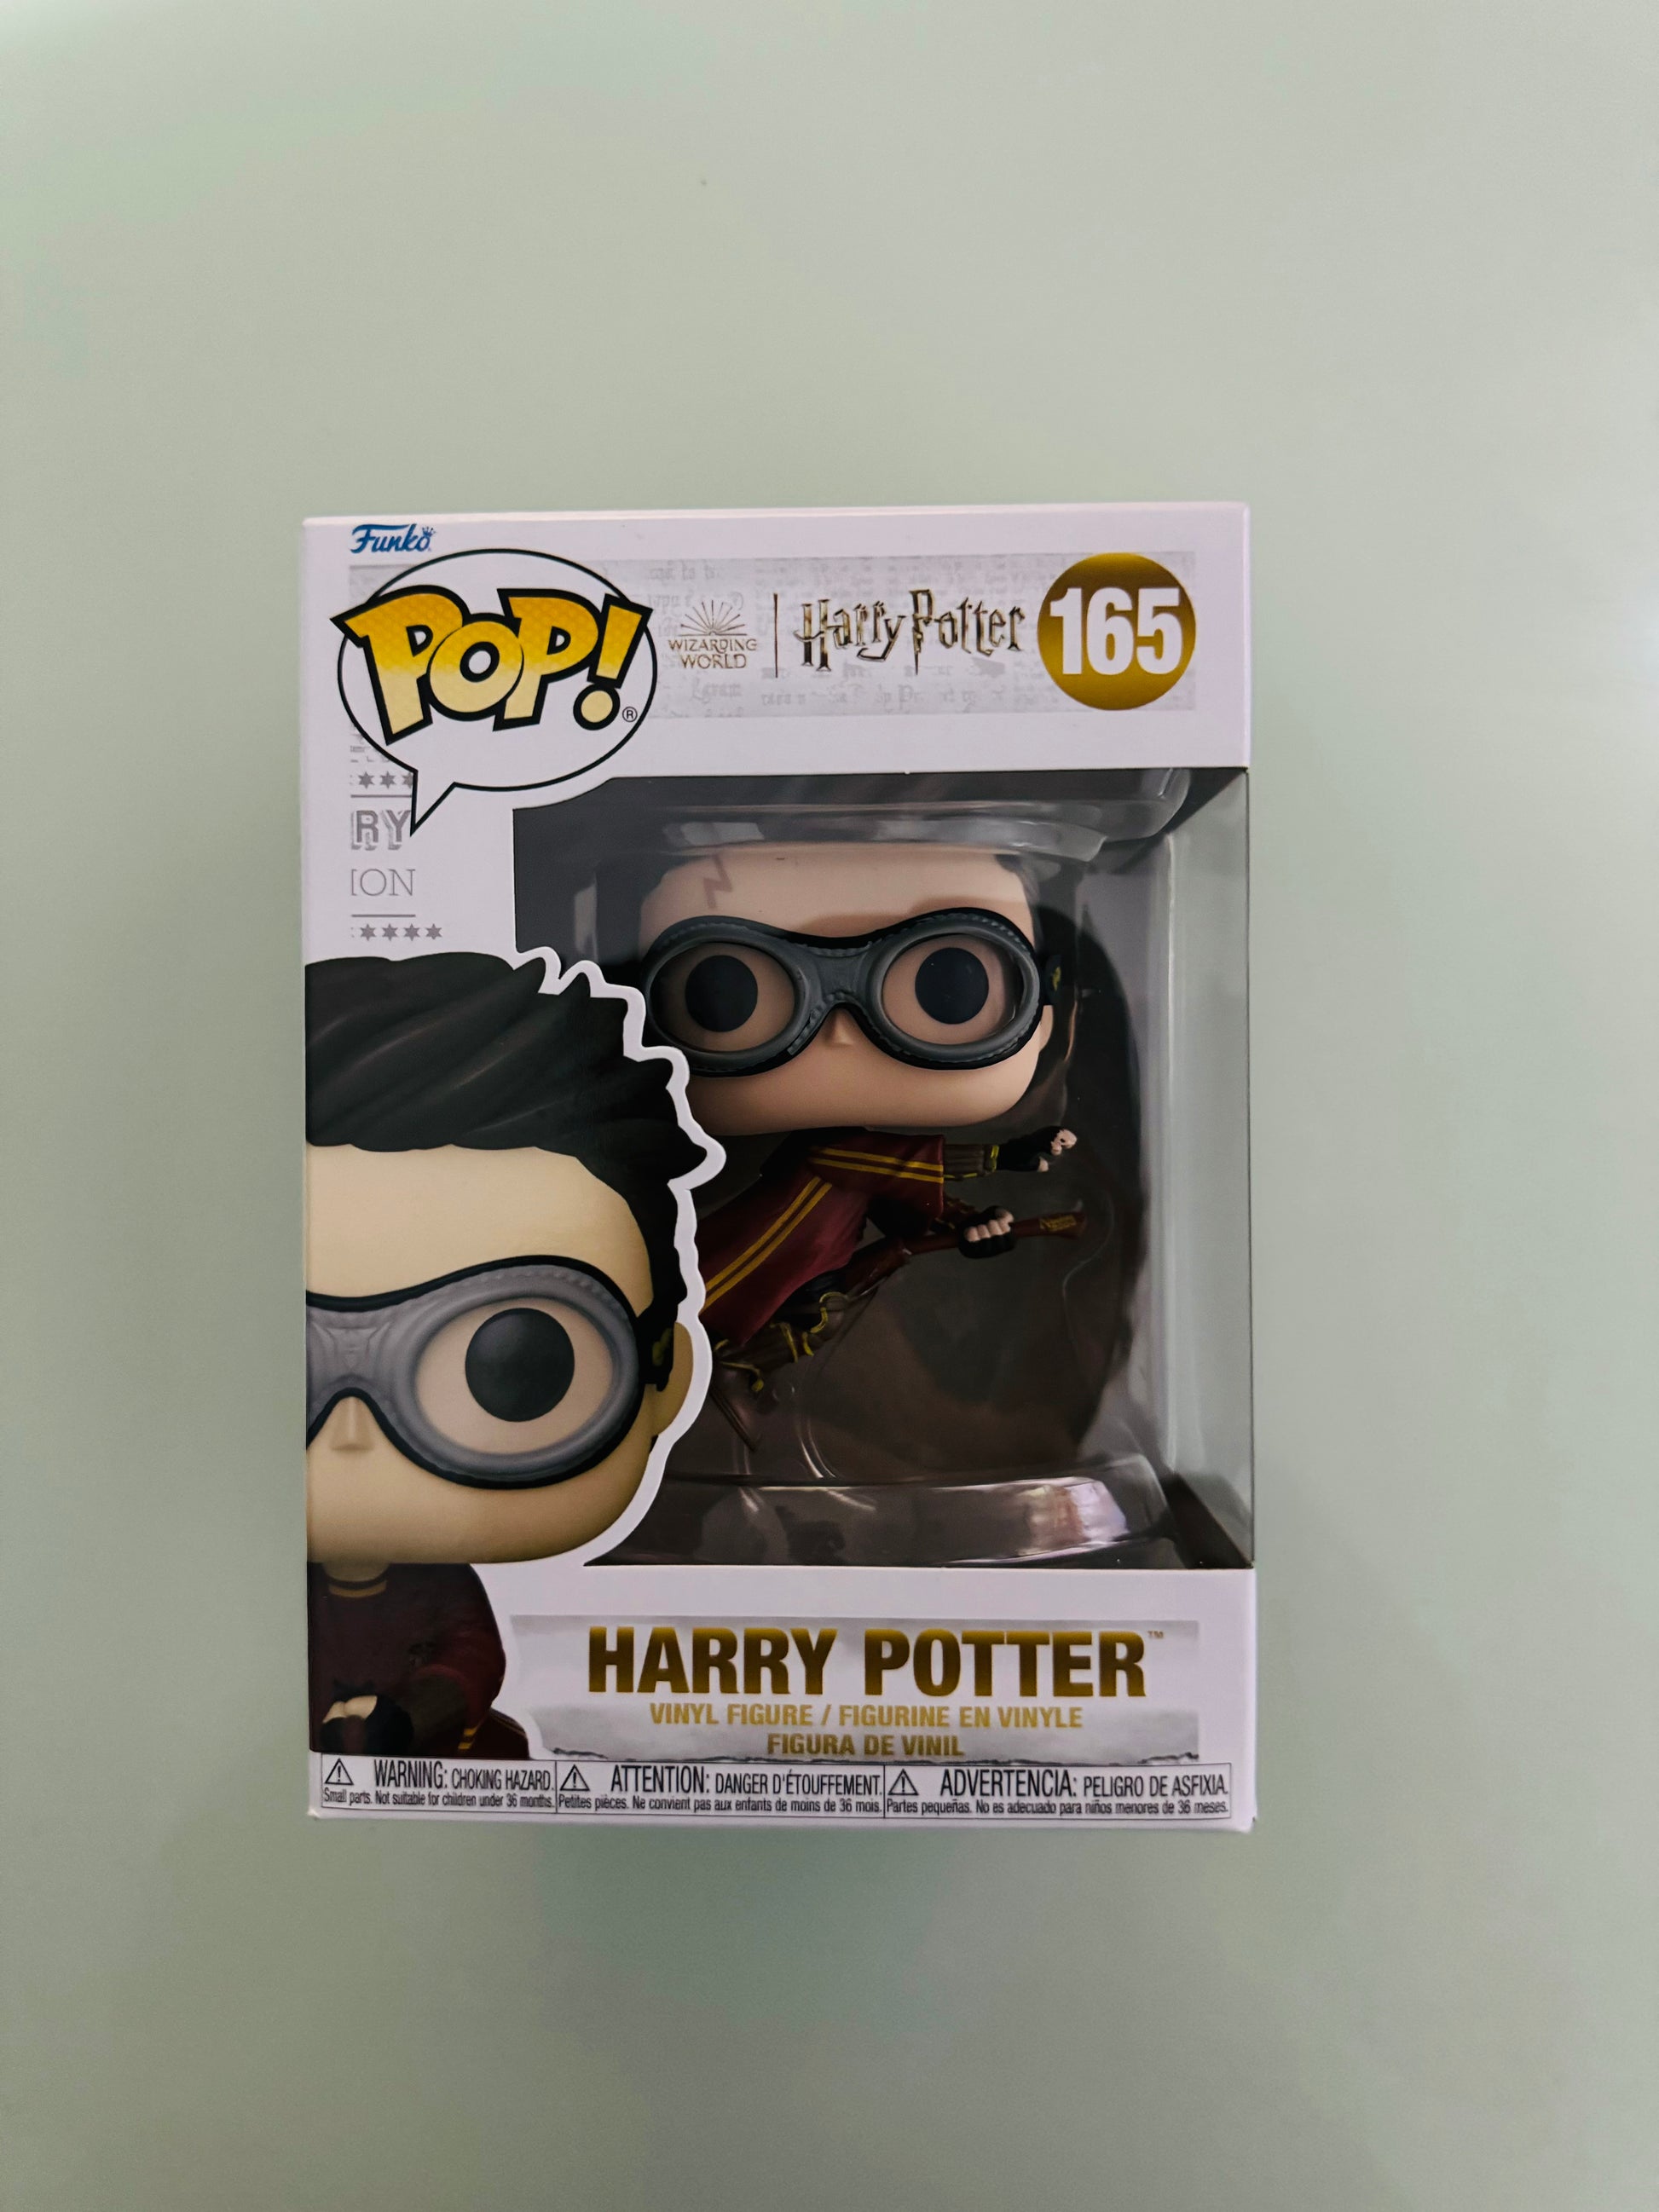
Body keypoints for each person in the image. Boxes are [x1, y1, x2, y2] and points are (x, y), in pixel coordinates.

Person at [304, 951, 706, 1757]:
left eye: (517, 1368)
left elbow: (469, 1659)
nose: (350, 1436)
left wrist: (408, 1717)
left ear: (667, 1374)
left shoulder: (441, 1589)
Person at [637, 840, 1077, 1441]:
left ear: (1041, 1013)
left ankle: (735, 1368)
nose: (840, 1036)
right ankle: (715, 1363)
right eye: (726, 989)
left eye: (950, 987)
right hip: (784, 1240)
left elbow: (894, 1191)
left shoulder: (854, 1148)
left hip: (817, 1244)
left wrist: (970, 1224)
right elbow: (870, 1165)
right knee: (748, 1302)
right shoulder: (833, 1149)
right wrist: (1000, 1157)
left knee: (821, 1312)